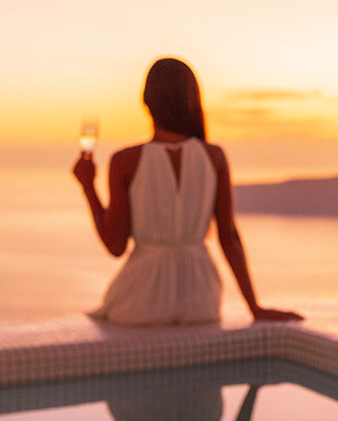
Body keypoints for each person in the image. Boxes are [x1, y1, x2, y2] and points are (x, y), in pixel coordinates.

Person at [72, 57, 302, 324]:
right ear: (192, 101)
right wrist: (255, 307)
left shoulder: (125, 161)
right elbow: (229, 237)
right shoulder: (214, 157)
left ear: (146, 102)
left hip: (140, 301)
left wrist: (88, 186)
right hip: (200, 300)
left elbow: (115, 246)